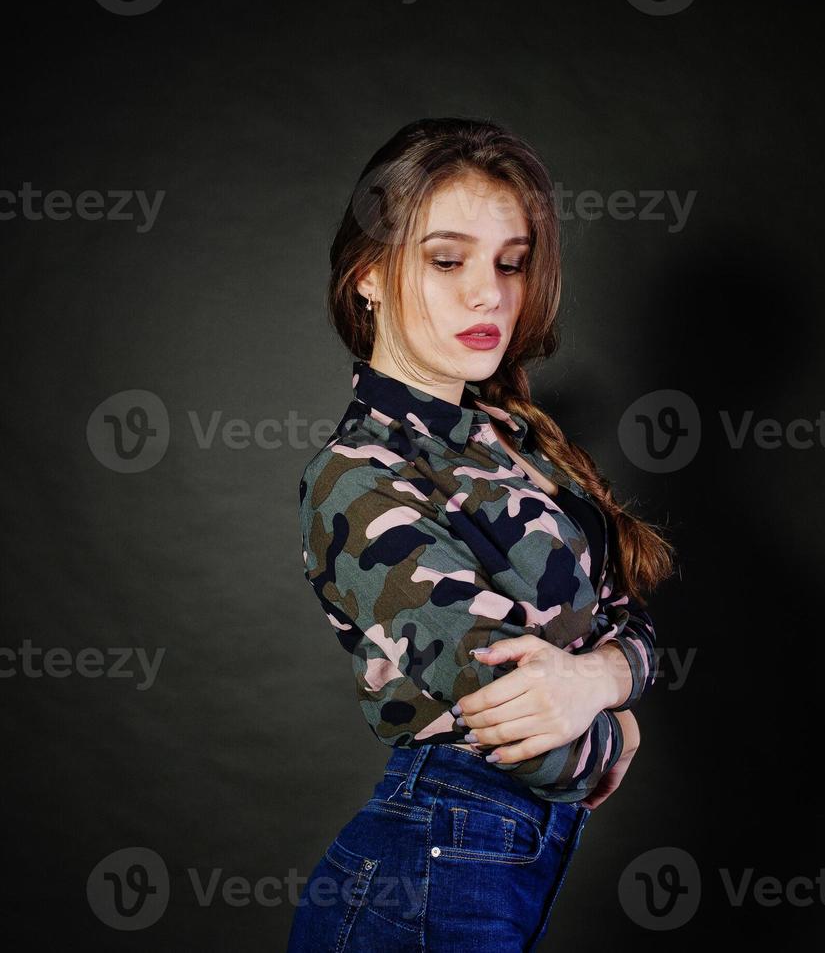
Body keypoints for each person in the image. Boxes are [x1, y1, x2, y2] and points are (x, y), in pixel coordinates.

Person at [288, 117, 675, 951]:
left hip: (492, 864)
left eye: (511, 262)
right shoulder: (358, 476)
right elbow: (521, 734)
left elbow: (635, 626)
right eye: (445, 260)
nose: (488, 295)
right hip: (426, 869)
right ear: (368, 279)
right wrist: (620, 728)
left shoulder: (519, 439)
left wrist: (598, 680)